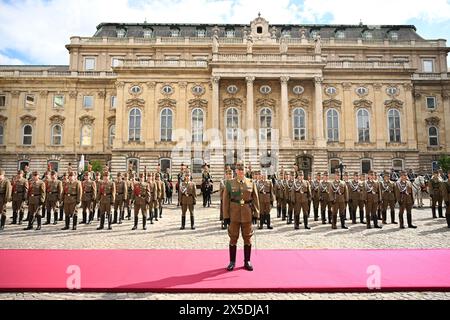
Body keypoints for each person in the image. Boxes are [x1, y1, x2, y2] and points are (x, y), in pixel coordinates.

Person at [222, 162, 260, 271]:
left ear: (245, 171)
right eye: (239, 170)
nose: (241, 171)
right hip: (234, 214)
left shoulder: (251, 182)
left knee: (247, 238)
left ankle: (247, 261)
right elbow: (225, 201)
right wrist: (226, 216)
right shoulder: (229, 183)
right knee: (233, 237)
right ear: (236, 171)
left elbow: (255, 199)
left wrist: (256, 214)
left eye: (242, 169)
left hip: (247, 214)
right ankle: (232, 261)